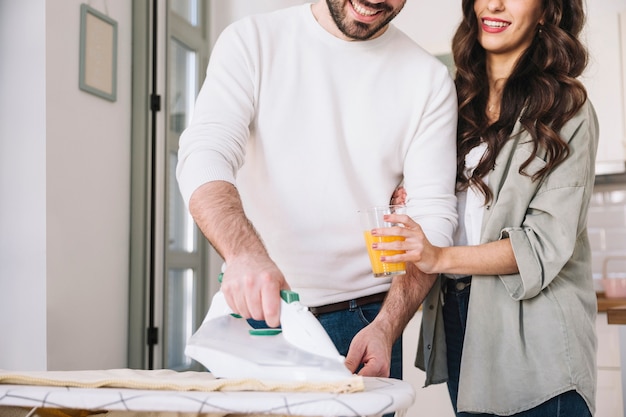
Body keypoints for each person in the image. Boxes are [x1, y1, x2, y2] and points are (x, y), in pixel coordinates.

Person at [176, 0, 458, 383]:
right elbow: (205, 153)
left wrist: (386, 326)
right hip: (258, 315)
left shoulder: (428, 79)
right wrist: (244, 255)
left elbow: (433, 218)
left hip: (365, 324)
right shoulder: (252, 40)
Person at [376, 0, 599, 415]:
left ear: (547, 10)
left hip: (536, 335)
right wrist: (411, 196)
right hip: (460, 316)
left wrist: (438, 256)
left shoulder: (568, 109)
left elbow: (541, 244)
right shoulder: (453, 98)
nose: (493, 4)